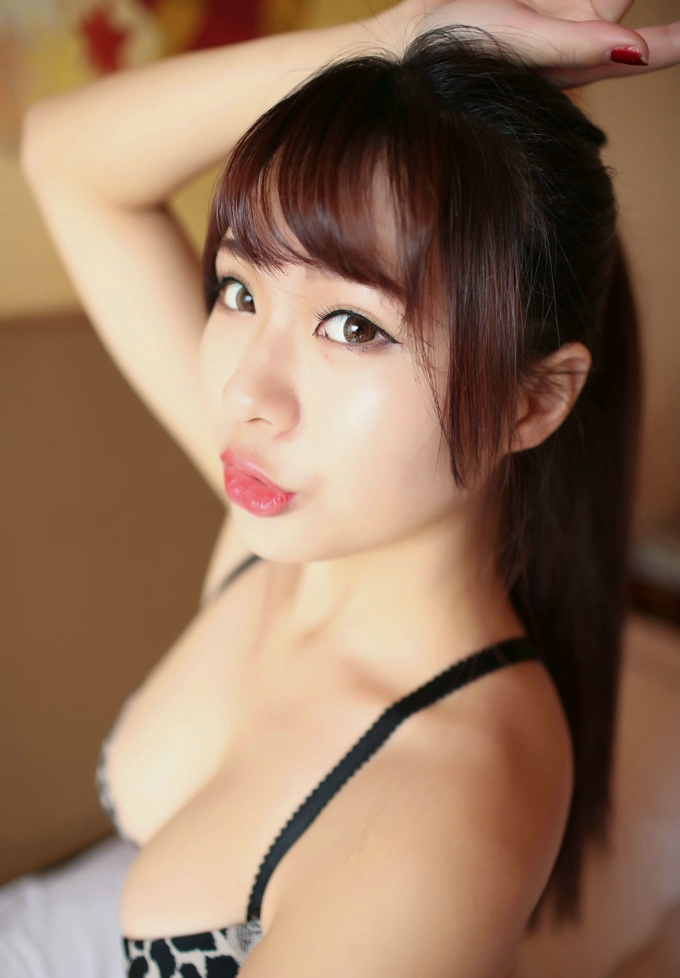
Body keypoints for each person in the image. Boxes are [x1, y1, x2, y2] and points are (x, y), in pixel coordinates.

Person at [19, 2, 680, 976]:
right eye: (240, 290)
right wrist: (404, 39)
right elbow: (64, 160)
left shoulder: (442, 800)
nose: (246, 394)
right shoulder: (293, 523)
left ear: (531, 401)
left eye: (353, 327)